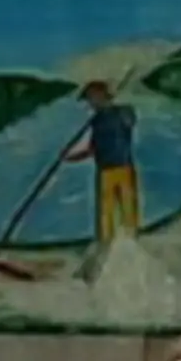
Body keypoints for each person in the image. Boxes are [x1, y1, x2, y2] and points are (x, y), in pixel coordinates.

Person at [60, 80, 140, 243]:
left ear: (101, 96)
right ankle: (107, 245)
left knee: (128, 212)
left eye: (91, 98)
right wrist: (69, 157)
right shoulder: (97, 121)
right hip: (105, 172)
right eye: (89, 100)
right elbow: (92, 149)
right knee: (106, 216)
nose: (90, 103)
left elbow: (129, 122)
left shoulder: (123, 111)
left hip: (124, 169)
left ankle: (132, 242)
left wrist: (113, 110)